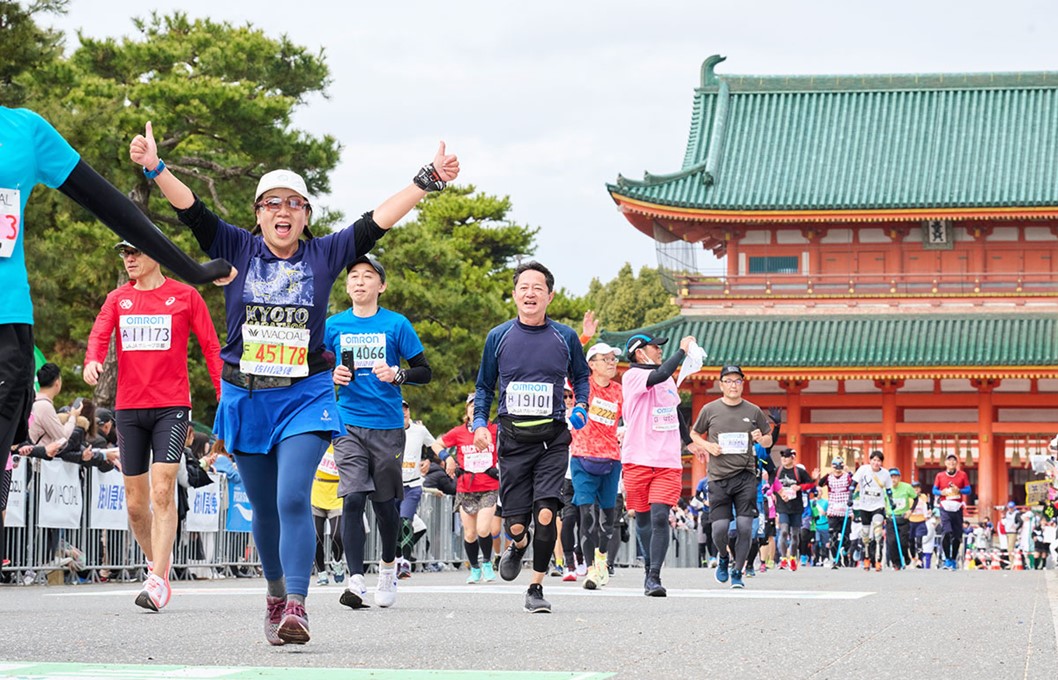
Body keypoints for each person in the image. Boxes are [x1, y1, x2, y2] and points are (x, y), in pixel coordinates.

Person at [130, 121, 458, 644]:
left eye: (294, 204)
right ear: (258, 213)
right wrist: (156, 167)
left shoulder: (324, 255)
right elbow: (191, 209)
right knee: (262, 508)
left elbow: (377, 222)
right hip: (247, 395)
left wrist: (427, 179)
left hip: (304, 395)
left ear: (306, 215)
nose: (283, 212)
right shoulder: (235, 247)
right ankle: (276, 593)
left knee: (291, 500)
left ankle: (299, 606)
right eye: (272, 203)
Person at [83, 239, 222, 610]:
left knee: (163, 490)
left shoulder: (185, 295)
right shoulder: (118, 298)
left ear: (155, 254)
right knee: (134, 504)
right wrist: (92, 360)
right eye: (124, 254)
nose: (129, 259)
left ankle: (158, 580)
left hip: (172, 406)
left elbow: (211, 346)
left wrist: (224, 393)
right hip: (129, 408)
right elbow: (99, 332)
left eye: (135, 252)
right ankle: (155, 560)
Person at [472, 261, 590, 614]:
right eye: (524, 287)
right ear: (514, 295)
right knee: (518, 522)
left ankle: (536, 587)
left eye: (538, 287)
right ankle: (518, 543)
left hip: (552, 439)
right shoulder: (499, 336)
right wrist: (480, 422)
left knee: (545, 514)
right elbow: (484, 387)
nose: (530, 293)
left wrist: (581, 405)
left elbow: (581, 377)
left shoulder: (565, 337)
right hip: (511, 440)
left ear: (549, 296)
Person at [325, 255, 434, 609]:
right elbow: (312, 368)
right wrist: (331, 376)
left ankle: (387, 568)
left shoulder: (396, 324)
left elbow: (424, 370)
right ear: (346, 286)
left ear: (381, 285)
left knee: (386, 506)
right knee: (353, 497)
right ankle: (355, 581)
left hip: (387, 425)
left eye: (368, 276)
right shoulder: (333, 326)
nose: (359, 282)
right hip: (347, 422)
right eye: (353, 276)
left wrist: (398, 375)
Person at [622, 333, 694, 596]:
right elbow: (660, 374)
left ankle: (654, 577)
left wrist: (690, 442)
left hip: (666, 459)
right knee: (642, 519)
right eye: (655, 347)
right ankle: (648, 568)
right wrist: (682, 351)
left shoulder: (667, 380)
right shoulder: (633, 377)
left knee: (661, 516)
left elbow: (674, 410)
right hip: (637, 458)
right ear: (639, 352)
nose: (660, 351)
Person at [689, 365, 772, 589]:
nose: (733, 385)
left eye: (737, 381)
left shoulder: (753, 411)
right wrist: (708, 446)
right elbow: (693, 434)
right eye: (728, 381)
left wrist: (760, 438)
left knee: (745, 528)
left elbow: (768, 440)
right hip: (718, 478)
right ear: (721, 385)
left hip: (745, 476)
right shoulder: (710, 409)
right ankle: (724, 559)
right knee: (719, 529)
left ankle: (738, 571)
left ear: (742, 384)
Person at [569, 342, 624, 590]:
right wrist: (584, 337)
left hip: (611, 459)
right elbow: (567, 362)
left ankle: (602, 558)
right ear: (592, 364)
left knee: (608, 518)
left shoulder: (619, 391)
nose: (612, 363)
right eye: (606, 359)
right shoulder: (582, 386)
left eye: (614, 359)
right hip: (582, 458)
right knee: (587, 515)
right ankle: (591, 569)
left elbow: (632, 415)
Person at [439, 394, 499, 585]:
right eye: (471, 406)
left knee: (483, 529)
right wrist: (447, 458)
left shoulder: (494, 430)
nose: (474, 409)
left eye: (478, 406)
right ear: (467, 410)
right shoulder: (458, 432)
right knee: (470, 533)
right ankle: (474, 568)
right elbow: (436, 443)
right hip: (466, 488)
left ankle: (487, 563)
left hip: (489, 486)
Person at [395, 401, 443, 579]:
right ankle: (397, 559)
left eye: (406, 408)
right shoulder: (386, 429)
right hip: (392, 486)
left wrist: (436, 458)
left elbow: (433, 444)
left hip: (412, 485)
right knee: (393, 526)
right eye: (399, 409)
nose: (403, 412)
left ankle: (406, 563)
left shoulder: (419, 430)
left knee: (406, 522)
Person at [770, 448, 814, 571]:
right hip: (782, 506)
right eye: (782, 457)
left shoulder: (799, 472)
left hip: (796, 507)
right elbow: (771, 484)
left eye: (787, 457)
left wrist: (799, 487)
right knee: (784, 531)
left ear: (793, 458)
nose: (784, 459)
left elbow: (810, 484)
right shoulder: (777, 471)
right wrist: (775, 493)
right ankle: (783, 558)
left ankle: (793, 557)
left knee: (795, 534)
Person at [849, 450, 893, 572]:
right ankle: (867, 557)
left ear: (881, 462)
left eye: (879, 460)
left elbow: (889, 490)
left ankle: (878, 559)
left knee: (878, 532)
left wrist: (891, 501)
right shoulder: (863, 469)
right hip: (864, 505)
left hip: (878, 505)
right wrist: (850, 497)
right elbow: (853, 484)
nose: (876, 463)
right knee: (866, 534)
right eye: (874, 460)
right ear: (870, 460)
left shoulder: (885, 474)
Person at [310, 446, 344, 586]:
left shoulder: (342, 443)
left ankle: (337, 561)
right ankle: (321, 572)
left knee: (337, 536)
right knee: (316, 536)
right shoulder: (317, 443)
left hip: (336, 495)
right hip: (317, 494)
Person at [932, 453, 971, 571]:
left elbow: (968, 490)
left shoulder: (962, 475)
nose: (951, 463)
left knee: (957, 535)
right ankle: (947, 558)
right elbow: (934, 490)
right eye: (949, 461)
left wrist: (959, 490)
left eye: (954, 461)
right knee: (947, 532)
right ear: (945, 463)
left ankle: (953, 558)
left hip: (957, 507)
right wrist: (941, 493)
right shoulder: (940, 476)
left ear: (956, 463)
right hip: (944, 506)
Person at [817, 457, 854, 568]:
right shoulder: (829, 477)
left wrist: (849, 472)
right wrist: (828, 473)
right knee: (833, 537)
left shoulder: (847, 477)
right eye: (835, 466)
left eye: (840, 465)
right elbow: (820, 483)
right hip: (833, 511)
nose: (838, 469)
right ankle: (835, 560)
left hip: (846, 511)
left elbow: (855, 483)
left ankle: (844, 553)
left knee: (846, 537)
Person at [886, 468, 916, 569]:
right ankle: (896, 562)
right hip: (891, 519)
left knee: (903, 542)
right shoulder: (885, 489)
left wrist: (910, 511)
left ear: (899, 478)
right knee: (892, 542)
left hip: (903, 518)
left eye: (895, 477)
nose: (893, 479)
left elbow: (915, 498)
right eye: (891, 477)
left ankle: (906, 557)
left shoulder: (907, 487)